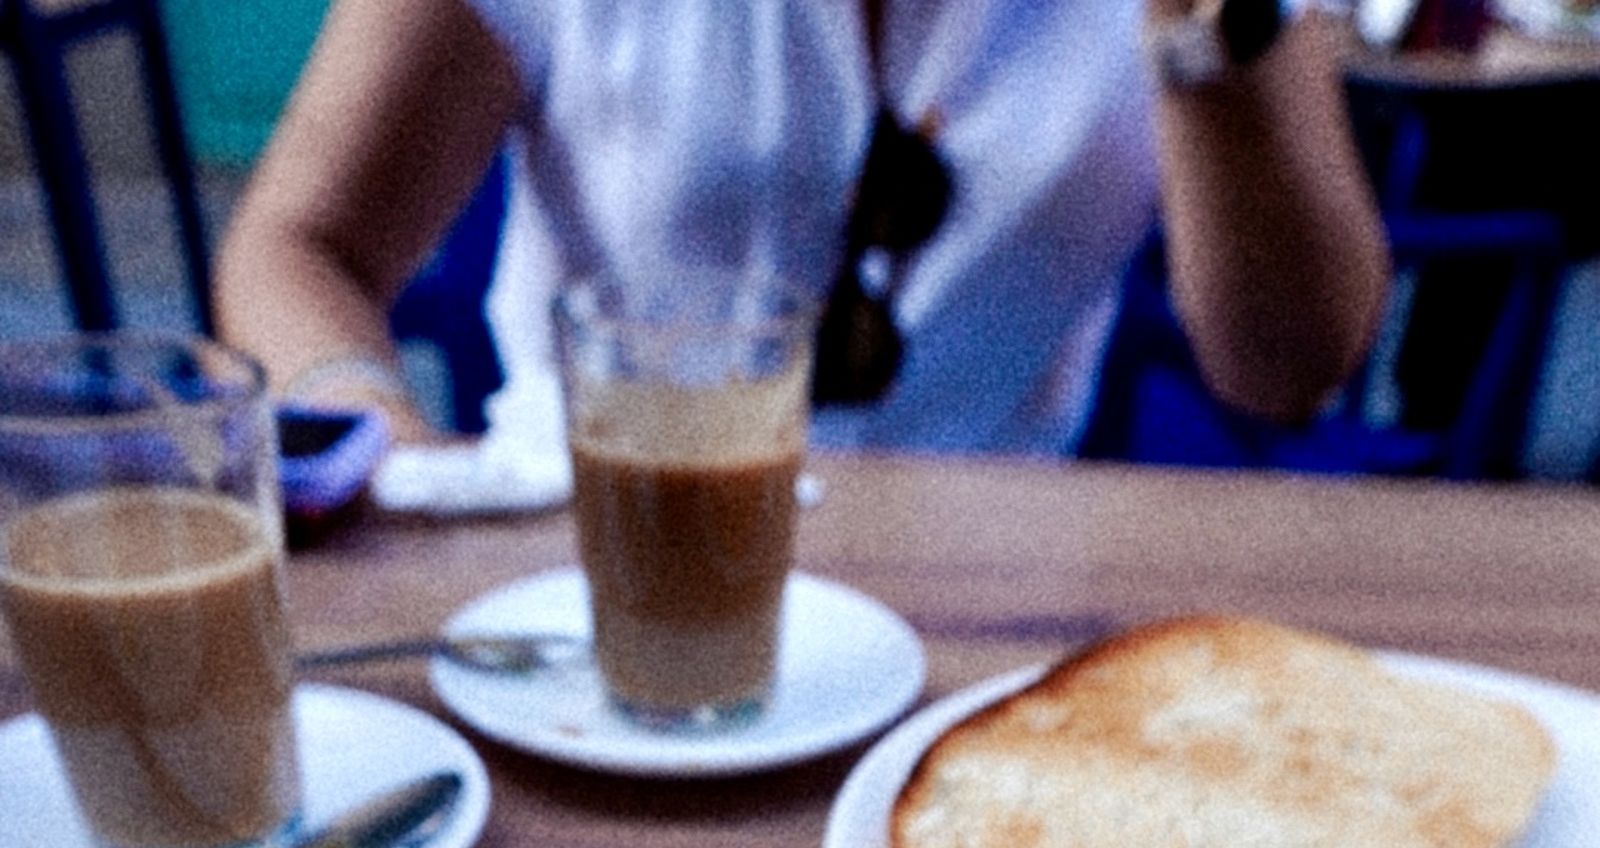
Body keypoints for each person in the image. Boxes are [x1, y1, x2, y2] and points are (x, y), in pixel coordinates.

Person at [214, 0, 1390, 461]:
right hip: (586, 578)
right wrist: (390, 453)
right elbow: (299, 244)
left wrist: (1212, 43)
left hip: (987, 606)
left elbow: (1286, 370)